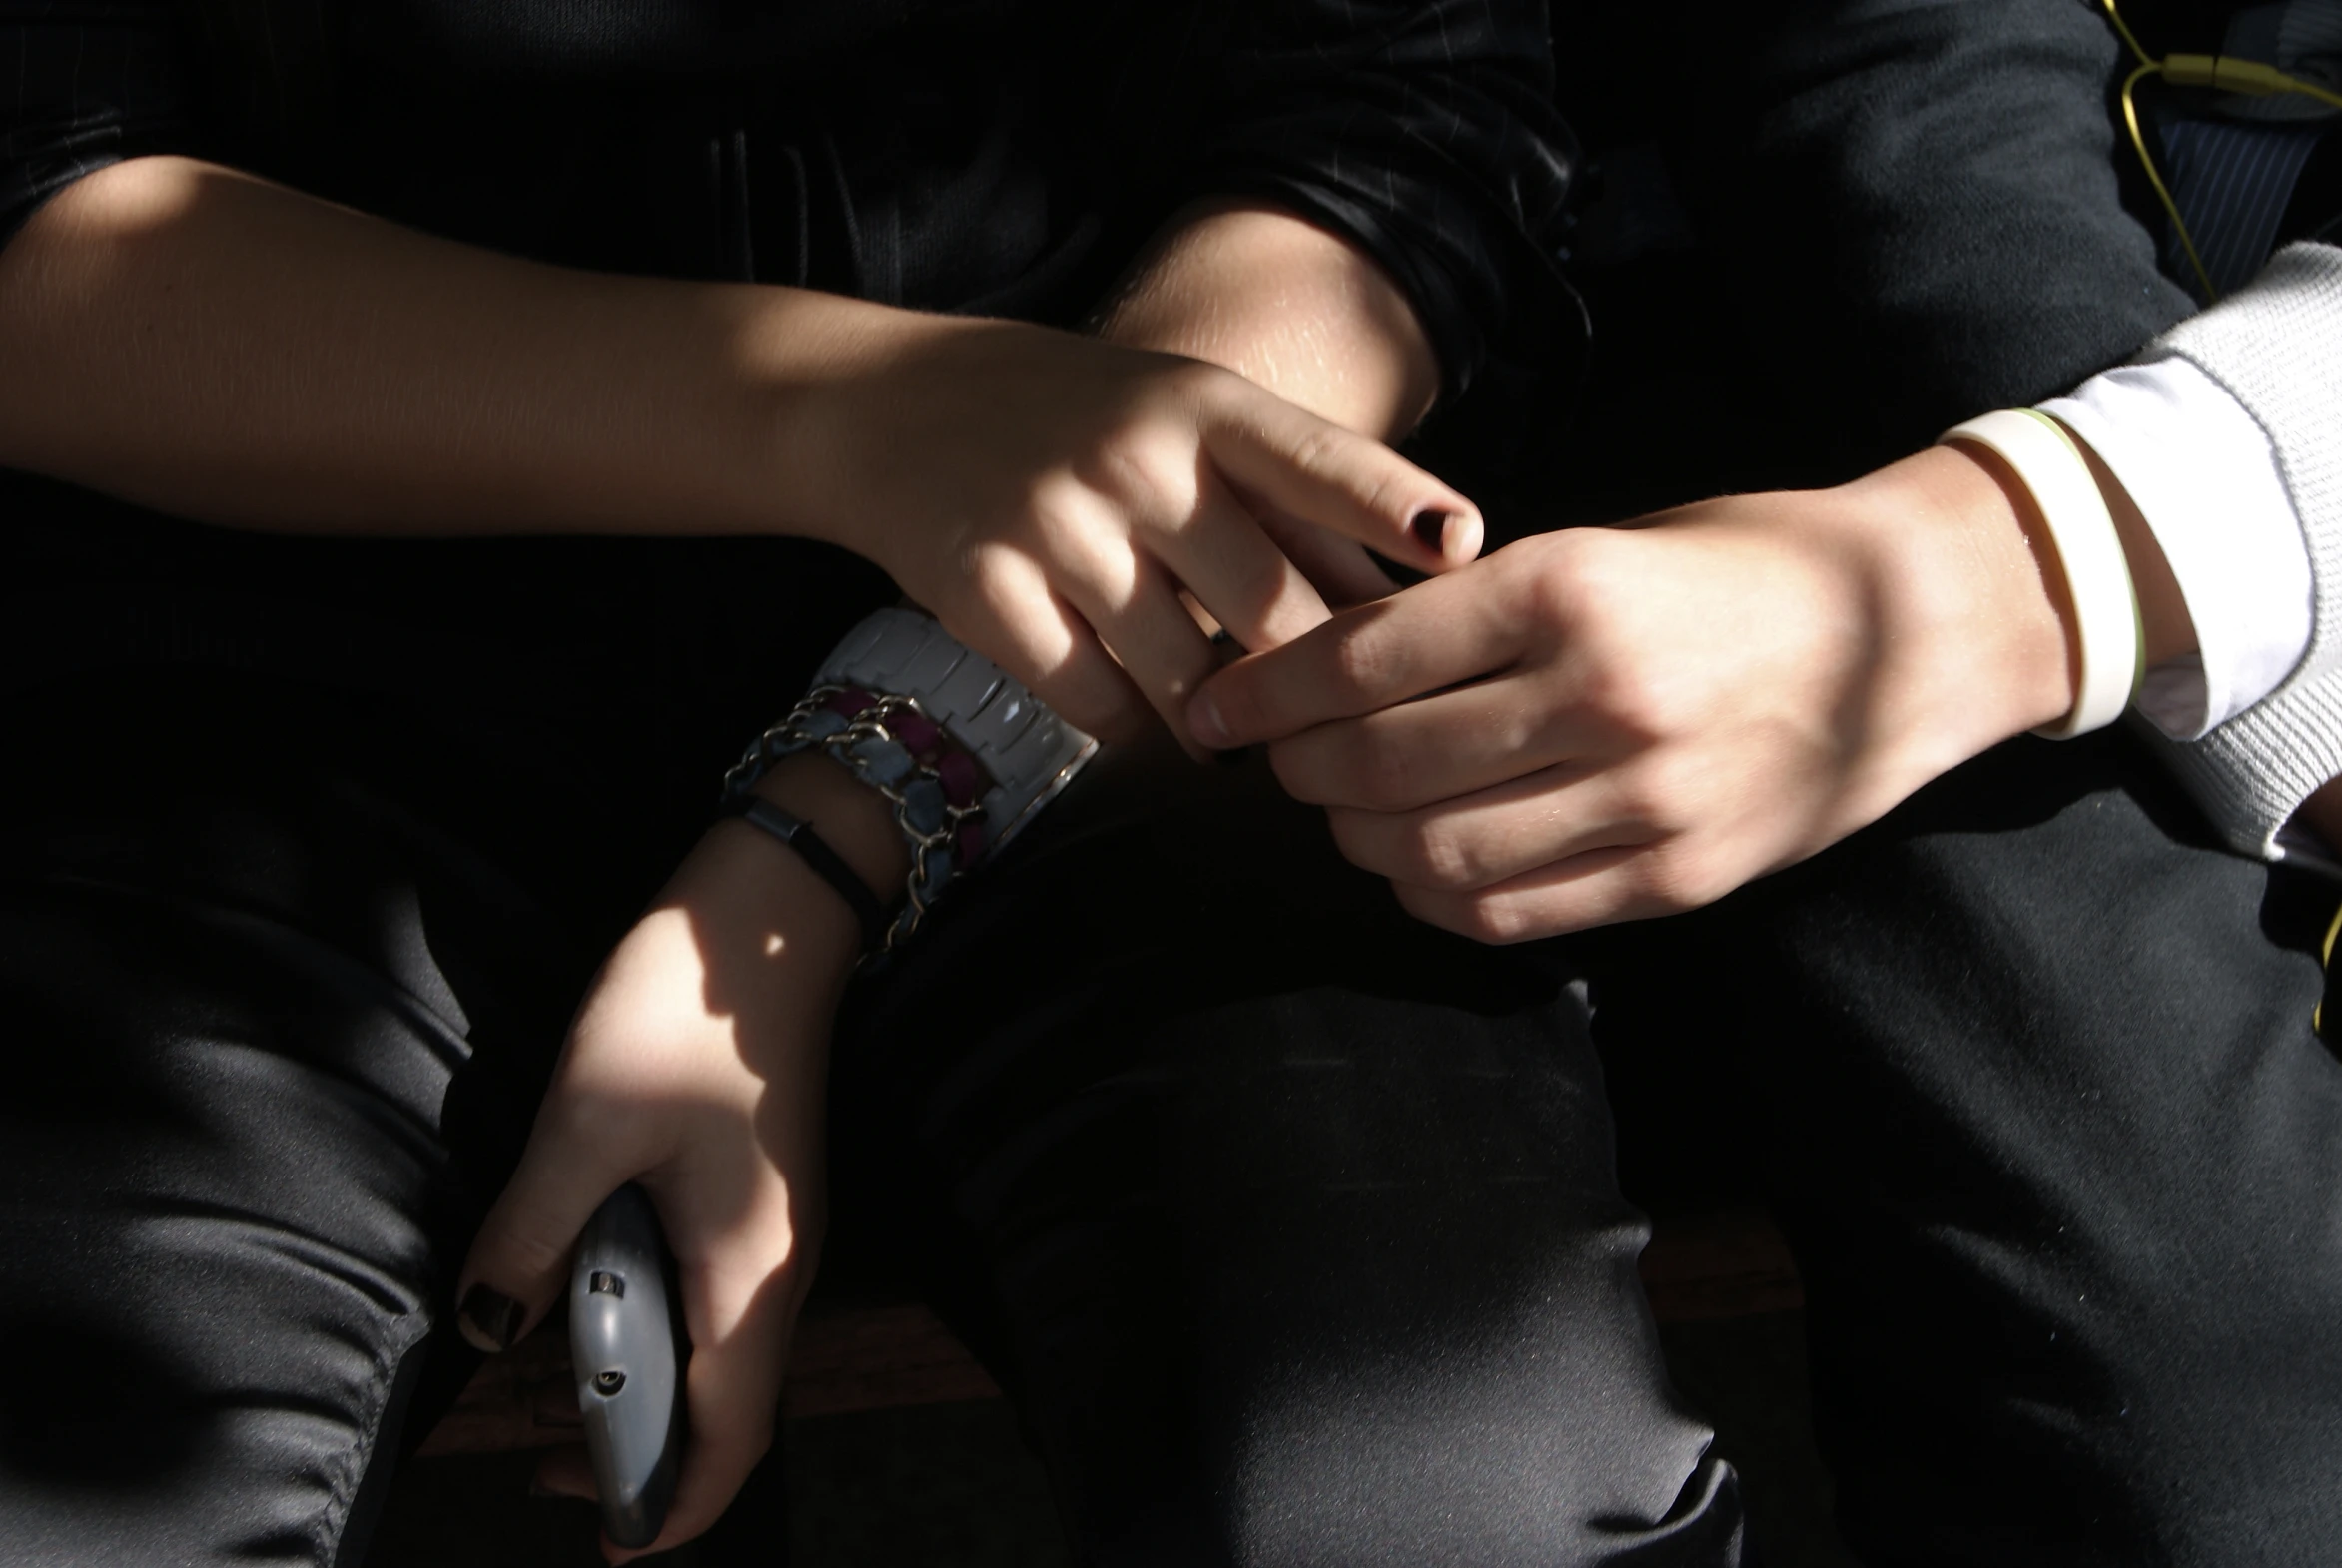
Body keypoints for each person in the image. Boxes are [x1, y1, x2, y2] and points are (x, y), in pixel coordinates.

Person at [0, 2, 1576, 1561]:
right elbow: (40, 213)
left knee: (1430, 1489)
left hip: (1100, 708)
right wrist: (856, 413)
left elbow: (1390, 123)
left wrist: (825, 839)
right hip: (263, 691)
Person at [1166, 1, 2342, 1561]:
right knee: (2209, 1434)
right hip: (1912, 371)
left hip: (2009, 491)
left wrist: (2054, 555)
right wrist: (2053, 551)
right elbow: (1902, 93)